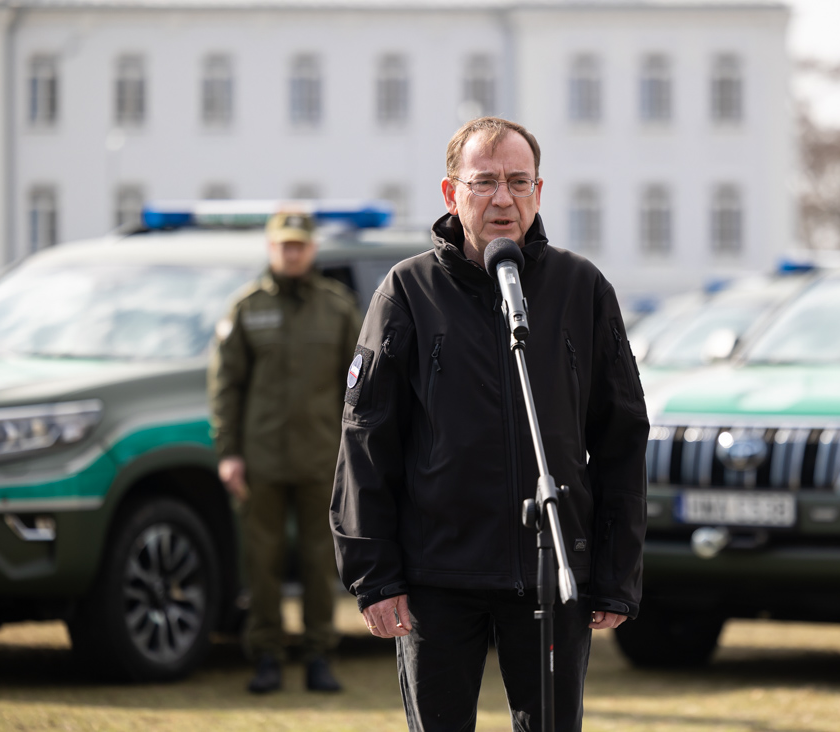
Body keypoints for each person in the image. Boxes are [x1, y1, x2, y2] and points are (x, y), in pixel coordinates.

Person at [331, 117, 649, 731]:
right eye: (484, 182)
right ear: (451, 194)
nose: (504, 198)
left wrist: (616, 571)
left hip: (551, 571)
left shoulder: (581, 288)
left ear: (538, 192)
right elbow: (366, 441)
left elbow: (621, 438)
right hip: (437, 576)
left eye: (518, 182)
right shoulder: (408, 291)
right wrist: (375, 577)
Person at [210, 211, 362, 694]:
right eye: (283, 245)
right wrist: (229, 452)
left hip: (322, 457)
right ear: (271, 248)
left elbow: (358, 385)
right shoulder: (246, 307)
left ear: (312, 249)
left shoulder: (337, 308)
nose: (291, 253)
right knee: (262, 561)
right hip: (262, 459)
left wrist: (354, 453)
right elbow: (226, 386)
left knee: (320, 561)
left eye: (299, 245)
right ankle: (267, 656)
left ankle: (319, 655)